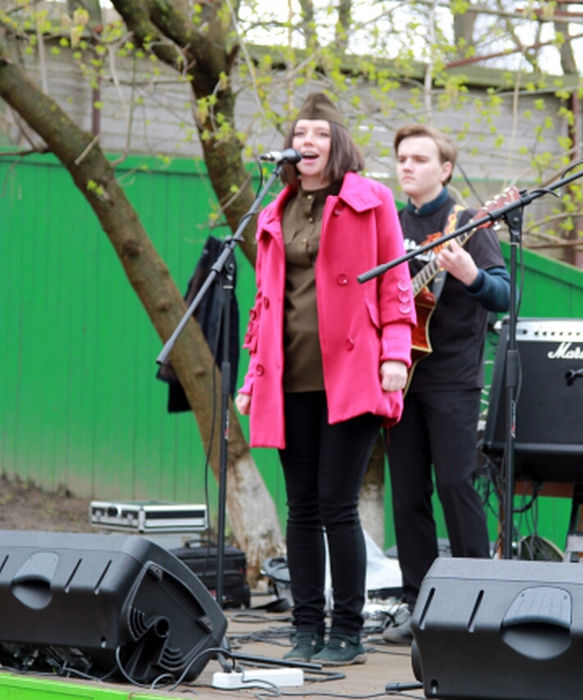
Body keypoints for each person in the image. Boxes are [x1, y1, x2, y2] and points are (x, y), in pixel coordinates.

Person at [235, 93, 415, 665]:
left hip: (353, 373)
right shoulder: (274, 210)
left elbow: (396, 283)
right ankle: (305, 628)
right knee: (301, 507)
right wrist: (252, 375)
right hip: (288, 376)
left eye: (319, 133)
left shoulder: (371, 199)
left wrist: (395, 353)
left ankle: (348, 632)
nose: (307, 142)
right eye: (300, 133)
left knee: (337, 504)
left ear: (337, 143)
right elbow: (265, 304)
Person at [382, 124, 510, 644]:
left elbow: (504, 294)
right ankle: (419, 604)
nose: (407, 167)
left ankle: (478, 601)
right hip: (398, 375)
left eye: (419, 159)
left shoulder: (469, 222)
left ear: (446, 169)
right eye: (402, 159)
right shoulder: (389, 223)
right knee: (407, 493)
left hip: (452, 376)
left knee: (457, 485)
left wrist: (469, 274)